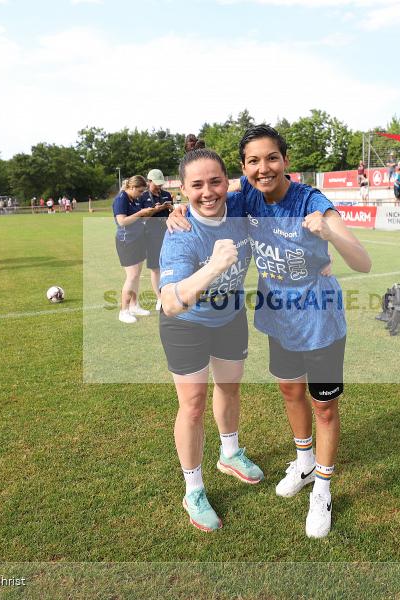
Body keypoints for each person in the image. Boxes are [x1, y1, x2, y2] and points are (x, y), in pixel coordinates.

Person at [169, 125, 372, 539]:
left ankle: (323, 490)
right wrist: (178, 209)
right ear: (244, 168)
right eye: (254, 161)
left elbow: (362, 262)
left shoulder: (311, 202)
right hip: (278, 318)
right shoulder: (246, 196)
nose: (264, 168)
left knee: (324, 408)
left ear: (286, 160)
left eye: (272, 158)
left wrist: (330, 234)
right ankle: (304, 462)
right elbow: (208, 195)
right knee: (291, 393)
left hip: (320, 320)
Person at [158, 148, 262, 533]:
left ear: (227, 182)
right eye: (197, 185)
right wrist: (215, 266)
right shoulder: (181, 234)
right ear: (183, 190)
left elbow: (275, 185)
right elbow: (171, 302)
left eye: (215, 181)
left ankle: (230, 454)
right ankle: (194, 490)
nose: (207, 192)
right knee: (192, 405)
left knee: (230, 387)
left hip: (230, 317)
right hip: (187, 324)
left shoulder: (240, 203)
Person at [113, 175, 155, 324]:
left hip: (138, 240)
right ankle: (123, 311)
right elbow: (122, 221)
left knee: (136, 276)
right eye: (140, 191)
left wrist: (149, 213)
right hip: (127, 242)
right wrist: (140, 213)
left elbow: (139, 219)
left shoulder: (134, 198)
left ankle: (134, 305)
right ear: (131, 187)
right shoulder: (121, 199)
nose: (141, 194)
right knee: (131, 276)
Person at [140, 168, 174, 311]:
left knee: (170, 264)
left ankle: (170, 294)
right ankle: (159, 298)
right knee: (155, 267)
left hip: (168, 232)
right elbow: (142, 218)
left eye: (160, 183)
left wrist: (171, 208)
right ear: (149, 182)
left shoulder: (166, 194)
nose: (159, 186)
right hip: (150, 234)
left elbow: (172, 213)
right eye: (156, 183)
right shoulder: (142, 197)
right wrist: (156, 209)